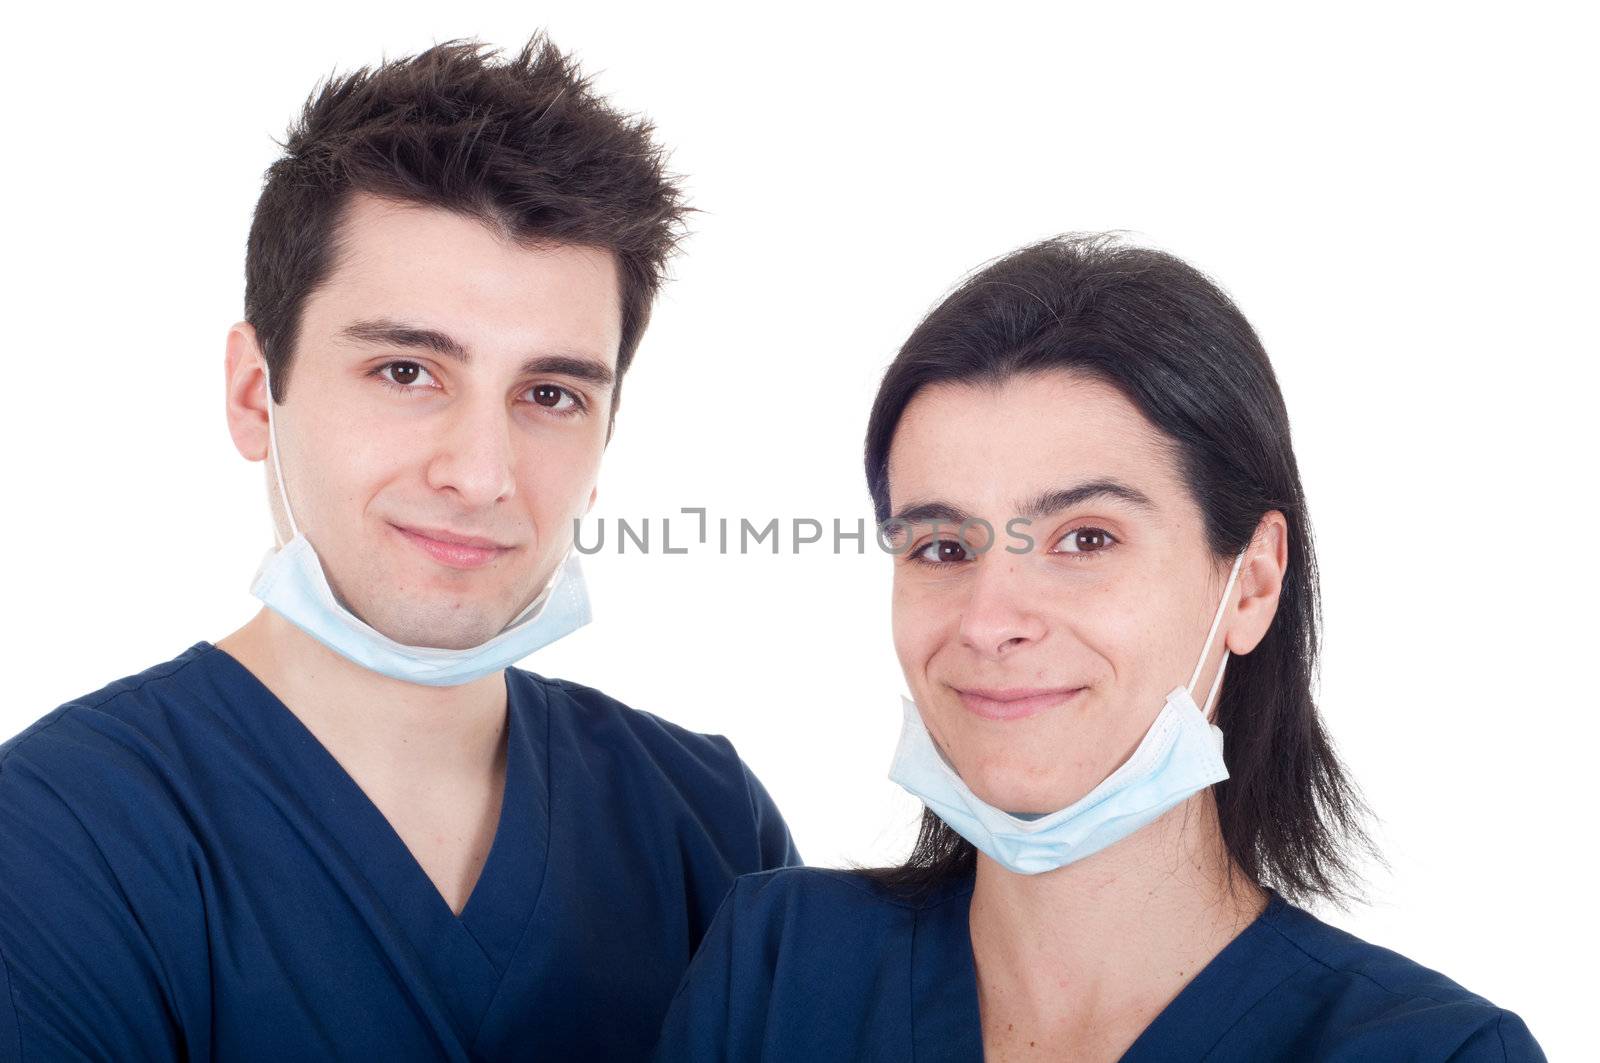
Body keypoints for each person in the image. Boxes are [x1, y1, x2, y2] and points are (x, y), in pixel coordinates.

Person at [0, 37, 798, 1061]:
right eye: (406, 371)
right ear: (256, 394)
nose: (480, 472)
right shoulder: (64, 840)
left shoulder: (709, 826)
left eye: (550, 395)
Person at [653, 235, 1544, 1061]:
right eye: (943, 547)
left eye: (1085, 538)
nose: (988, 619)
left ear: (1254, 582)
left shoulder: (1428, 1052)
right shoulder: (776, 969)